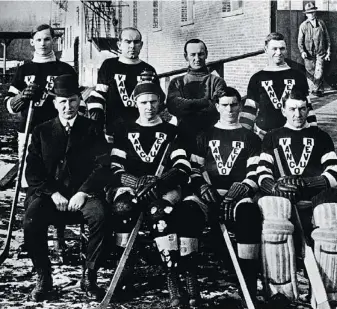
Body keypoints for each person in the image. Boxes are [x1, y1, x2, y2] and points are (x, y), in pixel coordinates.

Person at [108, 80, 199, 308]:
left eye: (153, 101)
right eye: (144, 102)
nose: (149, 106)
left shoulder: (172, 132)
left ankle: (173, 277)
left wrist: (158, 183)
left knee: (160, 212)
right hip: (134, 187)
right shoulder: (124, 130)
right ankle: (124, 272)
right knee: (122, 209)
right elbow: (115, 167)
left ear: (160, 103)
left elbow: (182, 166)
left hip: (164, 188)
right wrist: (136, 181)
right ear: (135, 102)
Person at [257, 89, 337, 308]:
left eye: (301, 108)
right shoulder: (272, 137)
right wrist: (276, 187)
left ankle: (330, 292)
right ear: (283, 110)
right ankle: (281, 292)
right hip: (284, 198)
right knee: (274, 223)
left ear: (308, 109)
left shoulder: (320, 136)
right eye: (292, 109)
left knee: (333, 221)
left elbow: (334, 174)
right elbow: (262, 173)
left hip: (315, 196)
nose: (297, 114)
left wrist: (308, 183)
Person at [23, 74, 111, 302]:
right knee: (31, 219)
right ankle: (44, 276)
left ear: (79, 100)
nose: (68, 106)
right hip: (50, 195)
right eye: (62, 101)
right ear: (54, 104)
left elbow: (103, 166)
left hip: (84, 194)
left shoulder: (92, 128)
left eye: (72, 100)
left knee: (101, 216)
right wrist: (52, 193)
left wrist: (83, 192)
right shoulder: (41, 131)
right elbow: (32, 171)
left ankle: (90, 276)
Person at [186, 87, 262, 306]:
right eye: (225, 105)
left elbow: (255, 172)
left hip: (236, 198)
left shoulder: (250, 137)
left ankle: (248, 284)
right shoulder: (205, 135)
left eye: (234, 104)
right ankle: (192, 288)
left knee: (249, 214)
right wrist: (201, 185)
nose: (230, 109)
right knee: (187, 212)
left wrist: (240, 190)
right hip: (208, 195)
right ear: (217, 107)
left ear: (240, 106)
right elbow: (193, 168)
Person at [3, 24, 80, 187]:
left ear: (54, 40)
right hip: (29, 130)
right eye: (38, 40)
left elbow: (76, 100)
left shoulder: (64, 69)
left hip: (57, 130)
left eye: (47, 39)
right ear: (32, 42)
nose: (43, 43)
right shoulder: (24, 70)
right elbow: (8, 104)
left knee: (59, 175)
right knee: (29, 177)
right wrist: (21, 97)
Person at [86, 27, 163, 143]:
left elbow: (159, 100)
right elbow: (99, 95)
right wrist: (97, 121)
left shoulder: (148, 69)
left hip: (142, 129)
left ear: (141, 45)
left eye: (136, 42)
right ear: (119, 44)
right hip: (115, 129)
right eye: (127, 41)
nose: (132, 46)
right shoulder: (109, 66)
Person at [241, 32, 317, 140]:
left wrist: (314, 132)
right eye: (274, 49)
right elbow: (249, 110)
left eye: (282, 49)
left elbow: (307, 107)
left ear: (286, 50)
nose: (278, 52)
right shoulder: (257, 78)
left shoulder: (298, 76)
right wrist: (242, 136)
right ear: (266, 50)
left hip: (293, 136)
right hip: (264, 136)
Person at [166, 38, 227, 144]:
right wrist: (205, 102)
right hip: (184, 135)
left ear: (206, 54)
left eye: (201, 54)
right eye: (192, 55)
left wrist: (186, 106)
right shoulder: (177, 82)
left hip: (211, 136)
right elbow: (173, 106)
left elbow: (217, 108)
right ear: (186, 56)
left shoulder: (217, 81)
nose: (197, 58)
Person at [297, 1, 331, 97]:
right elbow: (300, 41)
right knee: (310, 72)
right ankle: (313, 90)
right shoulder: (303, 26)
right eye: (309, 13)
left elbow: (327, 38)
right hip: (308, 54)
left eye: (312, 12)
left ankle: (318, 90)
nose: (311, 14)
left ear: (315, 13)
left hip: (320, 52)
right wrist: (302, 51)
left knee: (319, 71)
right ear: (306, 14)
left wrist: (328, 52)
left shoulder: (321, 23)